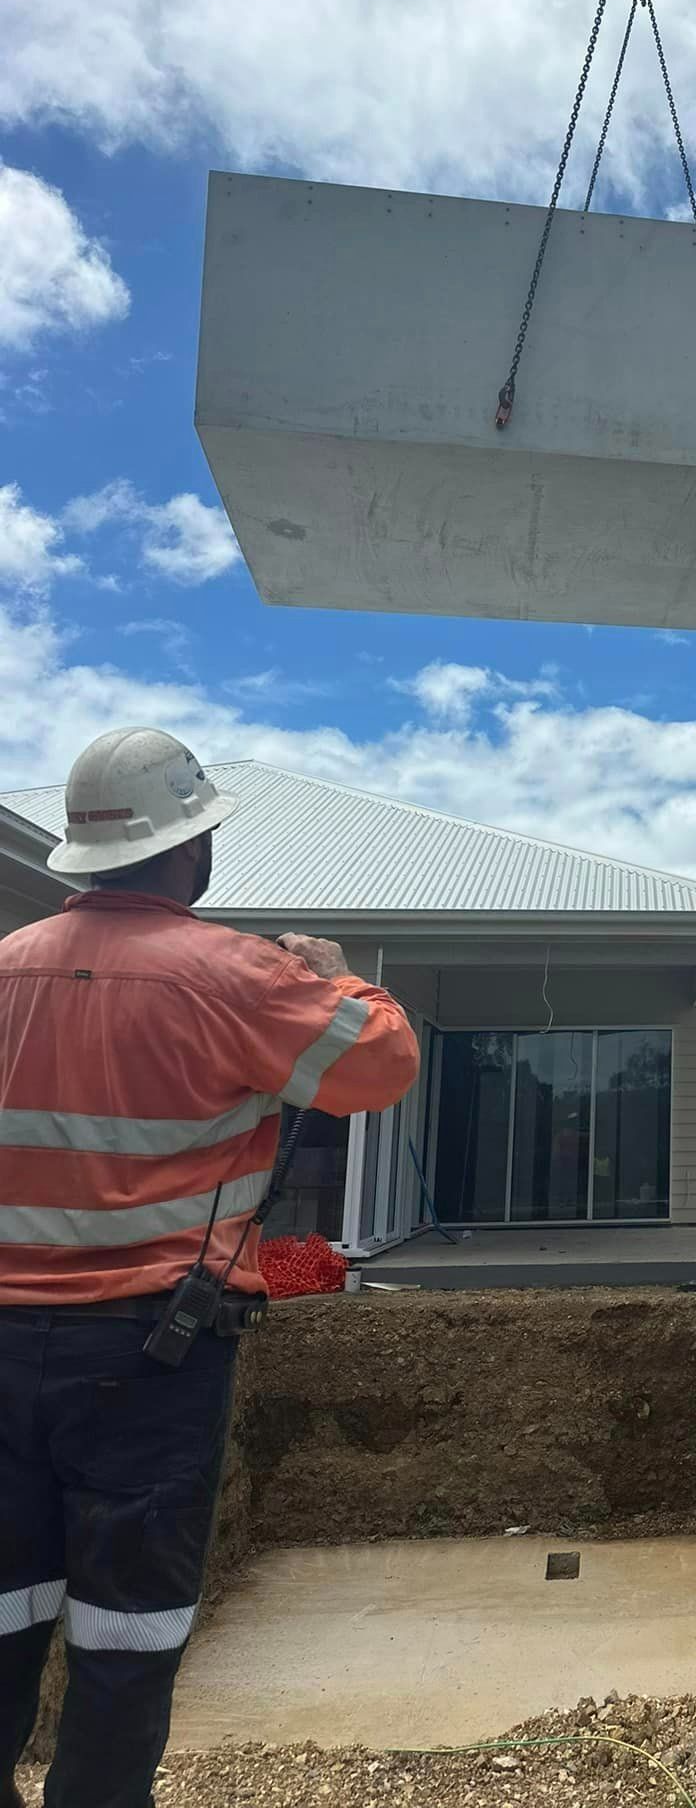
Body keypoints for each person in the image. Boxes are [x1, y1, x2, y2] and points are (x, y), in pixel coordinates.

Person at [0, 728, 420, 1808]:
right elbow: (379, 1066)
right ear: (190, 851)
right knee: (125, 1633)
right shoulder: (234, 976)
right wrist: (337, 975)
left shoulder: (5, 971)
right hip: (147, 1354)